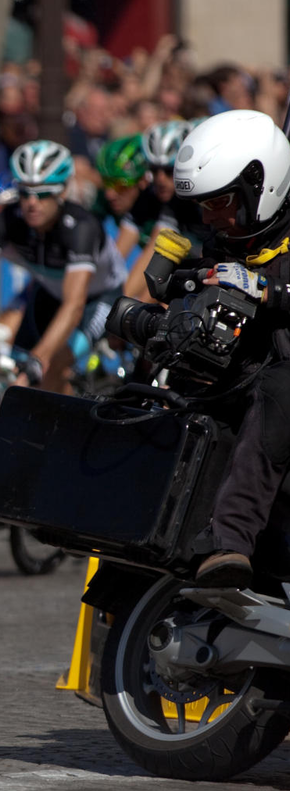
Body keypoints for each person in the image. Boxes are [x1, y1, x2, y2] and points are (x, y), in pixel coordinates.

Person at [168, 110, 290, 587]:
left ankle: (230, 543)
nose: (211, 216)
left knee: (282, 385)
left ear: (261, 187)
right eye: (204, 206)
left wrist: (266, 291)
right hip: (246, 381)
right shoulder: (229, 243)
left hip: (279, 389)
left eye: (220, 202)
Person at [0, 140, 126, 396]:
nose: (31, 203)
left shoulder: (82, 228)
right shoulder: (10, 219)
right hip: (50, 293)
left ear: (61, 192)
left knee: (52, 364)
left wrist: (40, 357)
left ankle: (62, 430)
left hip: (98, 299)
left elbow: (75, 304)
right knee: (15, 365)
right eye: (24, 193)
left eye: (41, 194)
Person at [122, 120, 203, 299]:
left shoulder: (202, 199)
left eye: (168, 171)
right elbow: (153, 252)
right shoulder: (168, 200)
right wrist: (122, 303)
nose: (159, 179)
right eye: (154, 170)